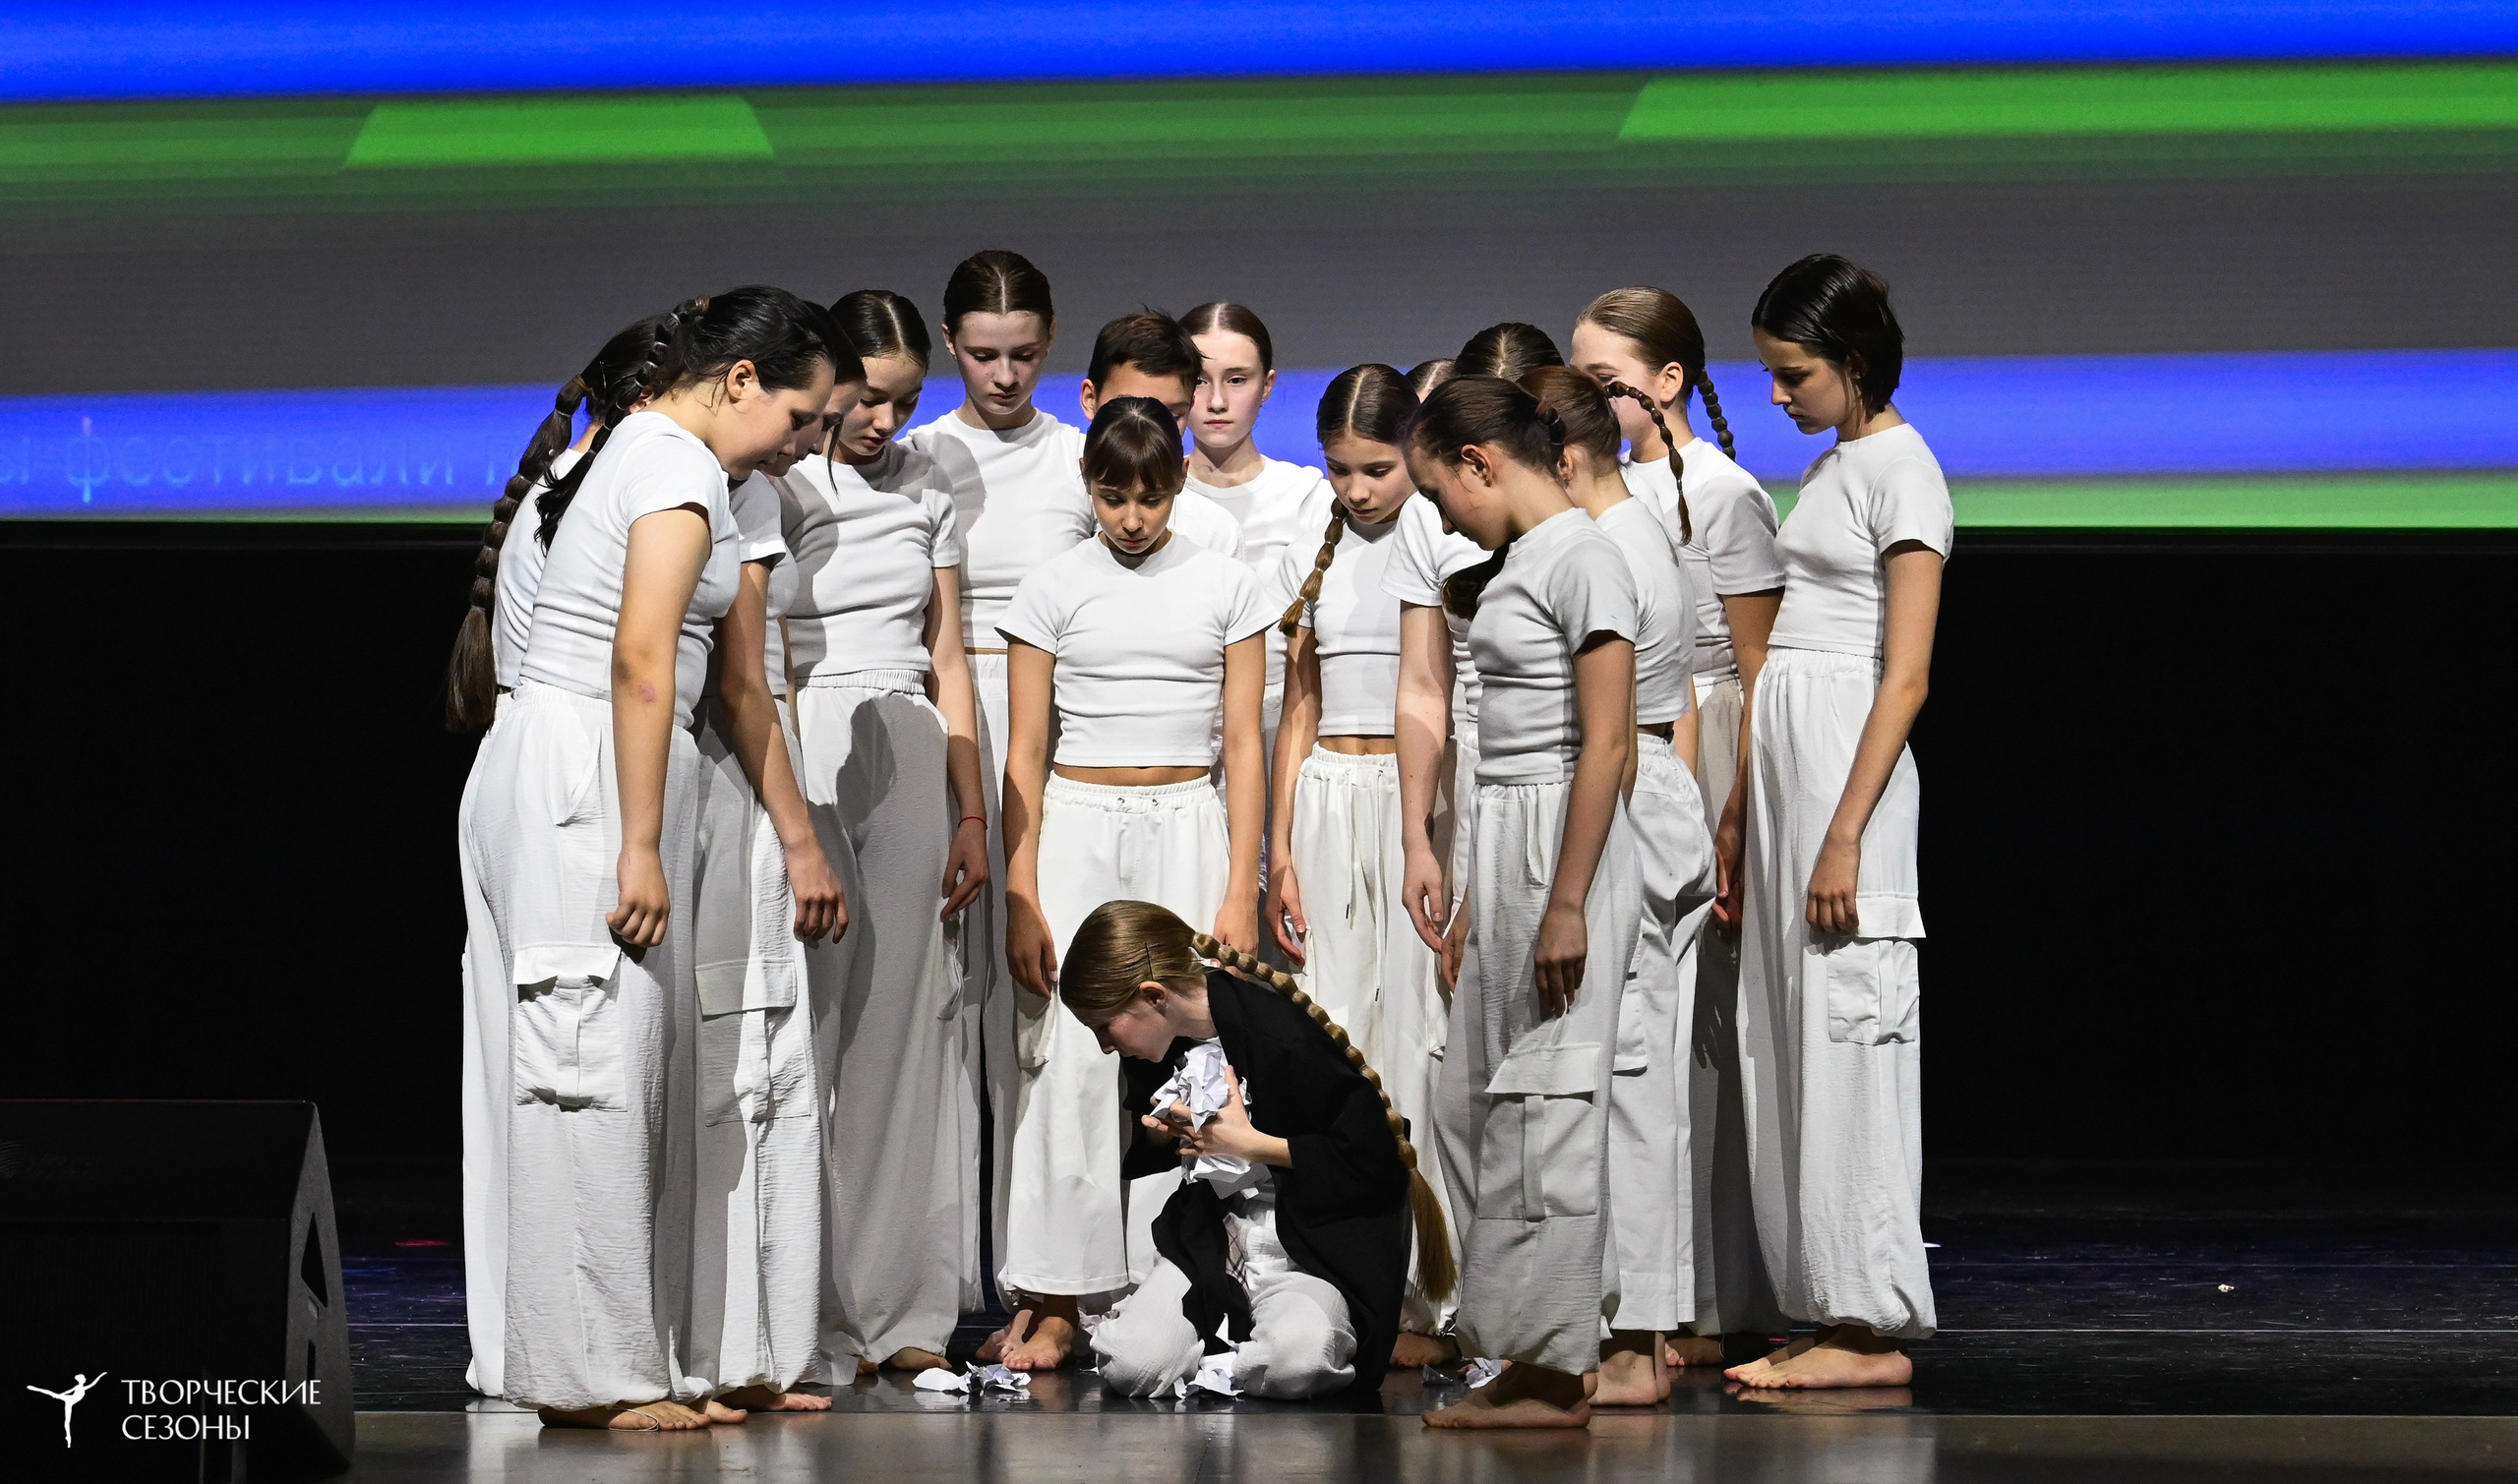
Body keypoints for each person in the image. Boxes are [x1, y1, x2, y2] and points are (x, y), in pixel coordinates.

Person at [463, 287, 842, 1430]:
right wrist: (635, 842)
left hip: (592, 762)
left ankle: (633, 1359)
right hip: (587, 770)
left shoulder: (651, 453)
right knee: (587, 1062)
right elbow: (640, 659)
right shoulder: (672, 467)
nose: (799, 441)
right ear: (740, 380)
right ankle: (592, 1378)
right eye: (797, 415)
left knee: (612, 1062)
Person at [992, 397, 1273, 1369]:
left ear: (1180, 484)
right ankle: (1056, 1294)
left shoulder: (1228, 583)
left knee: (1189, 1058)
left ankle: (1181, 1290)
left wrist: (1240, 886)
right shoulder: (1052, 585)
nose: (1132, 518)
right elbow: (1025, 751)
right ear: (1090, 488)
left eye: (1150, 498)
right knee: (1069, 1061)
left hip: (1188, 819)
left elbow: (1244, 744)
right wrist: (1022, 891)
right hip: (1077, 825)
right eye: (1113, 497)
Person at [1725, 255, 1948, 1391]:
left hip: (1844, 778)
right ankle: (1823, 1302)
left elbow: (1904, 675)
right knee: (1791, 1033)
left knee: (1848, 1032)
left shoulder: (1903, 472)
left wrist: (1847, 832)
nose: (1775, 393)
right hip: (1794, 772)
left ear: (1853, 363)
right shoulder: (1837, 464)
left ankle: (1867, 1325)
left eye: (1793, 373)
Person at [1408, 376, 1641, 1430]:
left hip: (1559, 839)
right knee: (1480, 1104)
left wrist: (1567, 900)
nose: (1442, 517)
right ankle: (1526, 1344)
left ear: (1480, 462)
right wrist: (1478, 891)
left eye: (1438, 494)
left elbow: (1608, 740)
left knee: (1548, 1103)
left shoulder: (1585, 558)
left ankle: (1554, 1370)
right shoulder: (1534, 559)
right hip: (1509, 835)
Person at [446, 313, 665, 1400]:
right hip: (562, 774)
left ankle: (514, 1341)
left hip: (510, 766)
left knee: (516, 1065)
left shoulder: (560, 482)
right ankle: (565, 1352)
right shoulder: (612, 491)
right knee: (569, 1066)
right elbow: (637, 664)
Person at [1573, 285, 1790, 1367]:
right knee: (1637, 1032)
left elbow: (1756, 670)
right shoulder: (1588, 491)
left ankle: (1715, 1295)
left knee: (1705, 1027)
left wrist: (1734, 813)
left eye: (1605, 381)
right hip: (1629, 739)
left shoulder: (1725, 493)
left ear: (1668, 382)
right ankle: (1638, 1289)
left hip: (1703, 745)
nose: (1585, 398)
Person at [785, 289, 989, 1377]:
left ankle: (901, 1311)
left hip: (908, 733)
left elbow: (949, 655)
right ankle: (802, 1312)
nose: (884, 422)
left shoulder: (925, 484)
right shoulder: (782, 478)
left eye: (905, 402)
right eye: (869, 398)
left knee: (904, 1027)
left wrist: (970, 809)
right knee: (808, 1028)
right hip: (809, 732)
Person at [1525, 366, 1717, 1406]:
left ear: (1562, 457)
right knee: (1627, 1077)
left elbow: (1621, 725)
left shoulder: (1616, 547)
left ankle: (1636, 1338)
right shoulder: (1635, 529)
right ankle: (1619, 1325)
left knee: (1632, 1082)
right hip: (1648, 792)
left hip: (1633, 802)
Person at [1262, 364, 1460, 1366]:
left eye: (1376, 468)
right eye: (1340, 468)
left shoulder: (1444, 534)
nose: (1356, 488)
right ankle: (1345, 1276)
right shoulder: (1317, 537)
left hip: (1413, 800)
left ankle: (1430, 1293)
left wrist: (1426, 823)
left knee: (1419, 1032)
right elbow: (1298, 707)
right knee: (1337, 1037)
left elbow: (1442, 690)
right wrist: (1281, 847)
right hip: (1329, 801)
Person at [1060, 900, 1451, 1400]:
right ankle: (1226, 1334)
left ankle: (1243, 1344)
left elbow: (1376, 1161)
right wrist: (1164, 1132)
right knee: (1132, 1365)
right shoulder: (1155, 1044)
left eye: (1103, 1027)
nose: (1105, 1046)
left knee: (1298, 1361)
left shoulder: (1282, 1035)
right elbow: (1160, 1137)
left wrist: (1254, 1145)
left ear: (1153, 996)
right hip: (1216, 1243)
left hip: (1304, 1253)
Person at [907, 249, 1086, 1311]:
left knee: (1035, 999)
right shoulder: (918, 454)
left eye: (1023, 353)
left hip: (1045, 730)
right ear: (949, 345)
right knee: (935, 1004)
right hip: (939, 724)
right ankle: (935, 1278)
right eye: (983, 354)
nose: (1005, 375)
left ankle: (1038, 1274)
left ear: (1051, 340)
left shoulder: (1077, 459)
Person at [685, 354, 858, 1413]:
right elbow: (739, 686)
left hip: (751, 766)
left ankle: (758, 1345)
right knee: (742, 1053)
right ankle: (725, 1346)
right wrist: (800, 839)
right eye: (805, 417)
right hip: (733, 784)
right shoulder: (727, 495)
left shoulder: (748, 490)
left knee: (769, 1059)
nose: (808, 441)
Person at [1180, 301, 1332, 745]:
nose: (1217, 401)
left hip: (1283, 726)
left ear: (1266, 385)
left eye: (1237, 379)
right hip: (1177, 725)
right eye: (1198, 380)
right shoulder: (1145, 504)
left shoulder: (1308, 498)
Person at [1075, 309, 1238, 554]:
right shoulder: (1042, 501)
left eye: (1171, 416)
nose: (1147, 426)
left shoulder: (1214, 532)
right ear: (1090, 398)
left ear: (1190, 407)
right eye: (1128, 408)